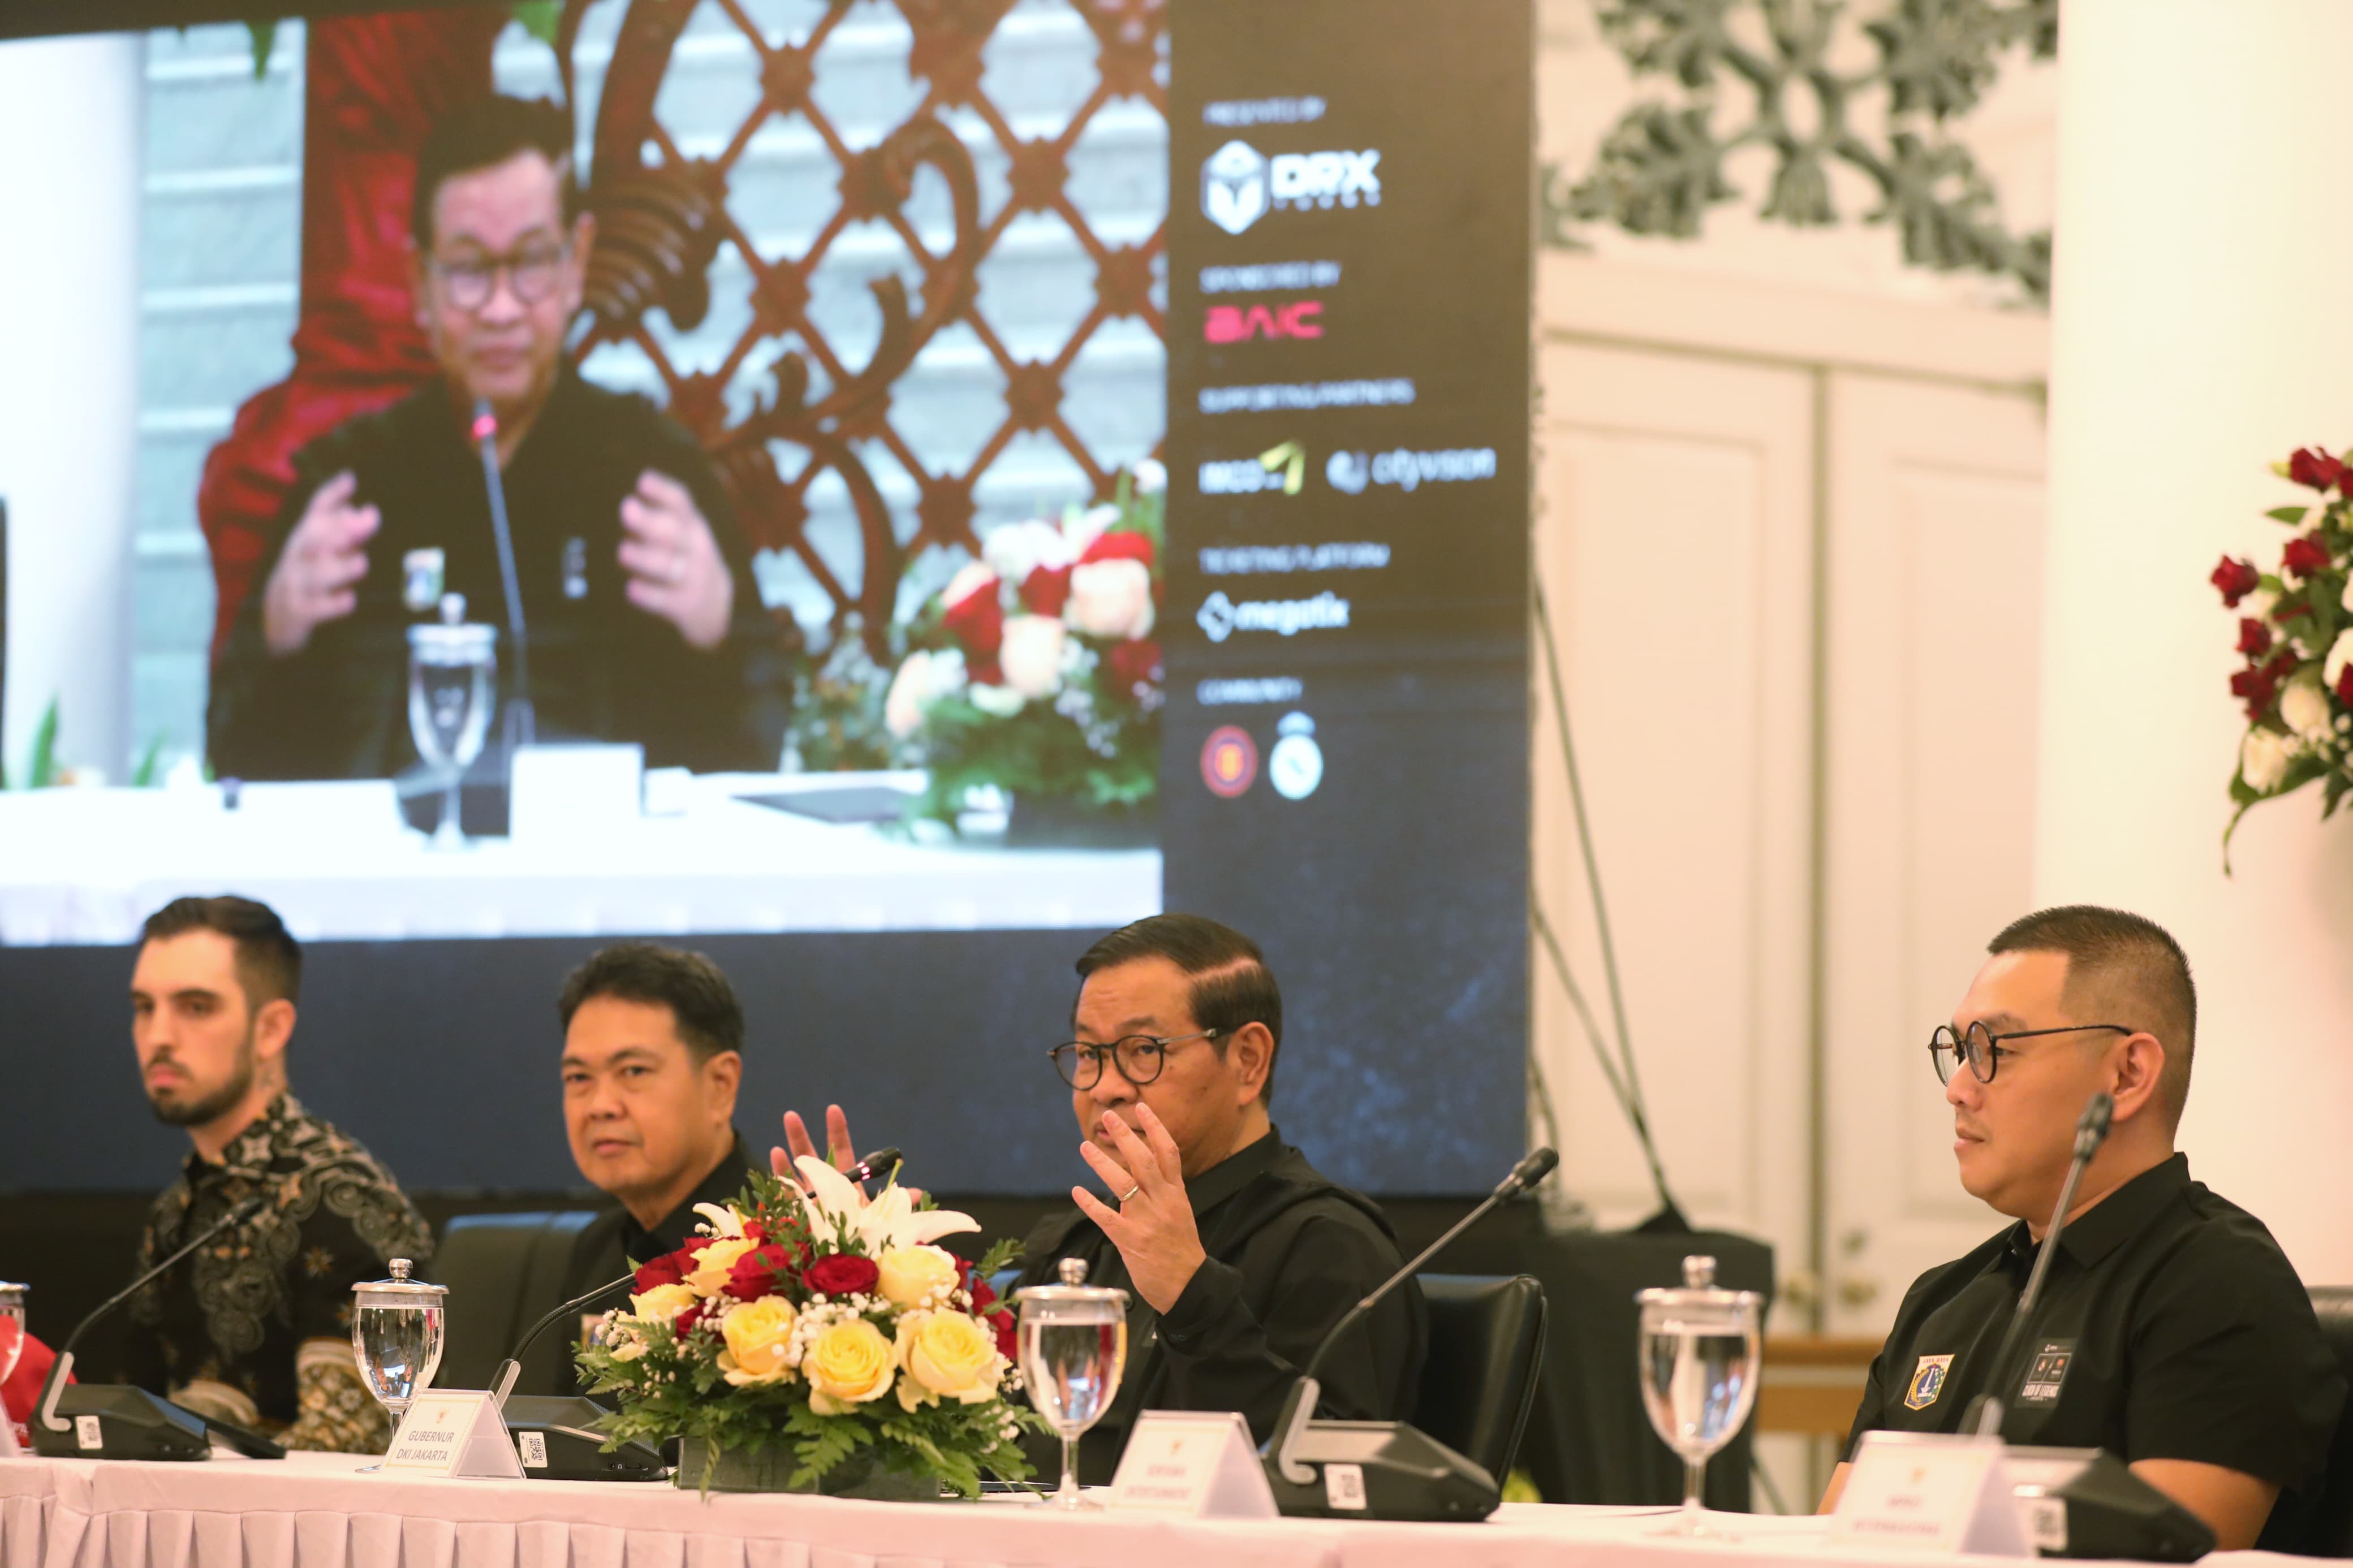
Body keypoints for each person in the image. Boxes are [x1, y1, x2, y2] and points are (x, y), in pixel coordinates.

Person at [207, 94, 788, 781]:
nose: (503, 308)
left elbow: (757, 744)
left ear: (578, 262)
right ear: (418, 284)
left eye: (533, 262)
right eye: (469, 270)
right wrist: (279, 641)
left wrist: (717, 639)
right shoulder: (352, 484)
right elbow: (238, 754)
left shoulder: (648, 470)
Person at [778, 914, 1427, 1483]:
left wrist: (1193, 1294)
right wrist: (860, 1284)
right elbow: (971, 1452)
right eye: (1087, 1053)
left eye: (1142, 1051)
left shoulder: (1328, 1243)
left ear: (1248, 1060)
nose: (1104, 1087)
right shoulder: (1078, 1244)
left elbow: (1335, 1480)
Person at [1821, 906, 2344, 1550]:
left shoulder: (2220, 1283)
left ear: (2126, 1075)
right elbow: (1832, 1543)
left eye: (1993, 1050)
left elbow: (2166, 1558)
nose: (1957, 1087)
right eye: (1958, 1050)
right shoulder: (1940, 1297)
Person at [121, 896, 432, 1452]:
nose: (159, 1035)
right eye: (145, 1007)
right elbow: (133, 1420)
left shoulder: (336, 1194)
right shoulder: (176, 1209)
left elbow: (348, 1443)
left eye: (195, 1007)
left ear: (271, 1029)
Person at [557, 943, 765, 1321]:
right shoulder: (597, 1250)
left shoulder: (790, 1247)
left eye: (634, 1071)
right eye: (579, 1077)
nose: (600, 1105)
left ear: (721, 1084)